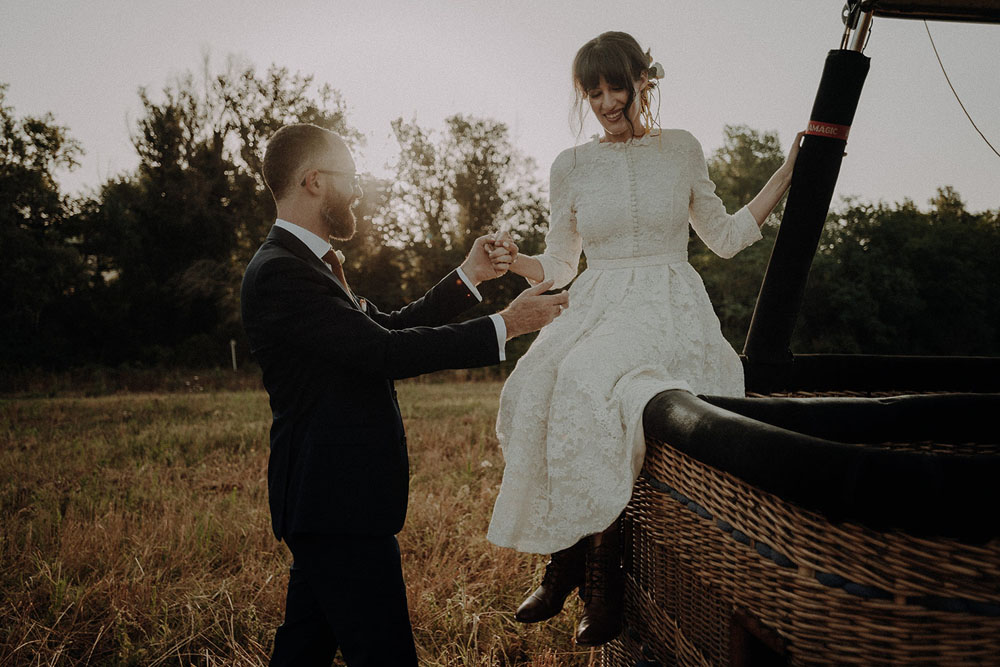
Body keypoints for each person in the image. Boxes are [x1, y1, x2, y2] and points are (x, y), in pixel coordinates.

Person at [484, 31, 803, 646]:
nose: (606, 102)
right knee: (532, 383)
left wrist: (788, 172)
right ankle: (567, 558)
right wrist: (515, 261)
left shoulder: (681, 149)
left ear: (642, 80)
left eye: (617, 86)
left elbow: (726, 235)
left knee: (586, 381)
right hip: (594, 301)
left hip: (664, 303)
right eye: (594, 91)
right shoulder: (570, 165)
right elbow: (561, 262)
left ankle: (601, 581)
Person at [240, 123, 568, 666]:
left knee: (303, 648)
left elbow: (386, 329)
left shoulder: (311, 266)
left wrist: (470, 276)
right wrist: (506, 324)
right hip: (336, 504)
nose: (359, 190)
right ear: (314, 181)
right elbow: (386, 354)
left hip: (332, 505)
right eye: (352, 177)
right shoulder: (282, 273)